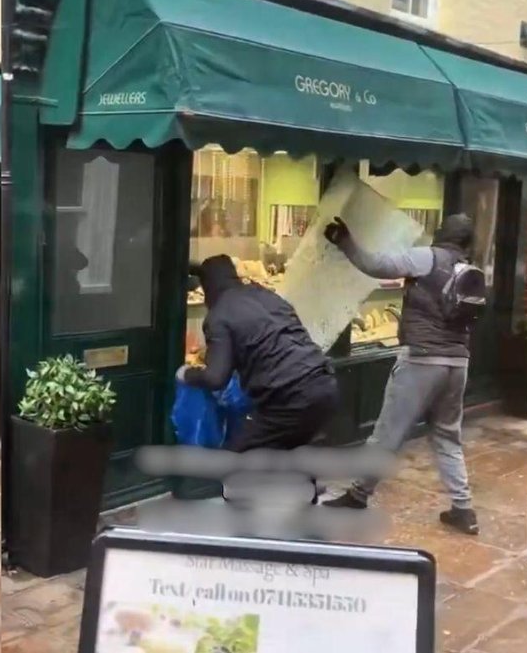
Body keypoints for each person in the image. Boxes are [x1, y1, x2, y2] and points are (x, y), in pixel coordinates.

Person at [321, 213, 481, 536]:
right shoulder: (470, 270)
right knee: (448, 436)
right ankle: (464, 509)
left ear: (441, 234)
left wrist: (346, 242)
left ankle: (358, 495)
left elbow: (377, 265)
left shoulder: (428, 258)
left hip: (422, 359)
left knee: (386, 435)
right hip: (458, 364)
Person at [180, 255, 338, 452]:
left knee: (236, 455)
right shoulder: (265, 295)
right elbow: (269, 337)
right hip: (325, 384)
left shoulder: (218, 314)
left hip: (292, 396)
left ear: (207, 287)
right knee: (287, 450)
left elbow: (215, 378)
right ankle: (303, 480)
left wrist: (186, 374)